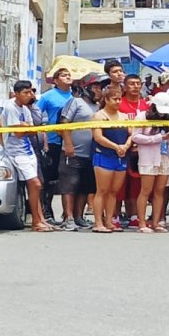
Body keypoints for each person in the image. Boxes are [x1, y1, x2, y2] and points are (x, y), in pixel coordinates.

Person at [0, 80, 51, 232]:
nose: (29, 95)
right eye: (26, 92)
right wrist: (24, 127)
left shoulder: (26, 109)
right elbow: (18, 133)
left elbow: (32, 130)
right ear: (17, 94)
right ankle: (35, 221)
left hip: (28, 150)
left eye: (31, 92)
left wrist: (25, 126)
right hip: (16, 153)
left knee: (36, 186)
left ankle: (40, 219)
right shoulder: (10, 107)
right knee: (35, 184)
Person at [132, 94, 169, 233]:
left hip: (164, 157)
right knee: (146, 191)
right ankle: (141, 223)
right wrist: (159, 137)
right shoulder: (142, 116)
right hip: (148, 158)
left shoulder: (168, 118)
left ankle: (156, 222)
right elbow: (135, 136)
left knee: (160, 192)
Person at [57, 77, 99, 231]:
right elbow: (64, 123)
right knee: (69, 185)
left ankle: (78, 216)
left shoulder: (98, 106)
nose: (99, 91)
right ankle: (67, 217)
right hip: (73, 151)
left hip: (91, 153)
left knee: (84, 186)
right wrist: (68, 144)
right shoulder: (75, 102)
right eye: (96, 87)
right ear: (86, 88)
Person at [91, 85, 131, 233]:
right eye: (114, 99)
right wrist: (116, 147)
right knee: (102, 190)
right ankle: (98, 222)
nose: (118, 102)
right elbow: (98, 137)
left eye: (120, 99)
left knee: (113, 191)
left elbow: (131, 134)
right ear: (106, 100)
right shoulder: (99, 116)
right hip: (104, 155)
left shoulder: (124, 117)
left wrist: (125, 146)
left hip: (120, 156)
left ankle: (109, 220)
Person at [37, 68, 74, 225]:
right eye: (63, 75)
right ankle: (46, 210)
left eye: (69, 75)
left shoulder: (75, 96)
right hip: (52, 141)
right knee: (49, 178)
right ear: (56, 80)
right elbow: (36, 115)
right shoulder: (48, 97)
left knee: (65, 179)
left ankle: (69, 215)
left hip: (71, 142)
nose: (67, 77)